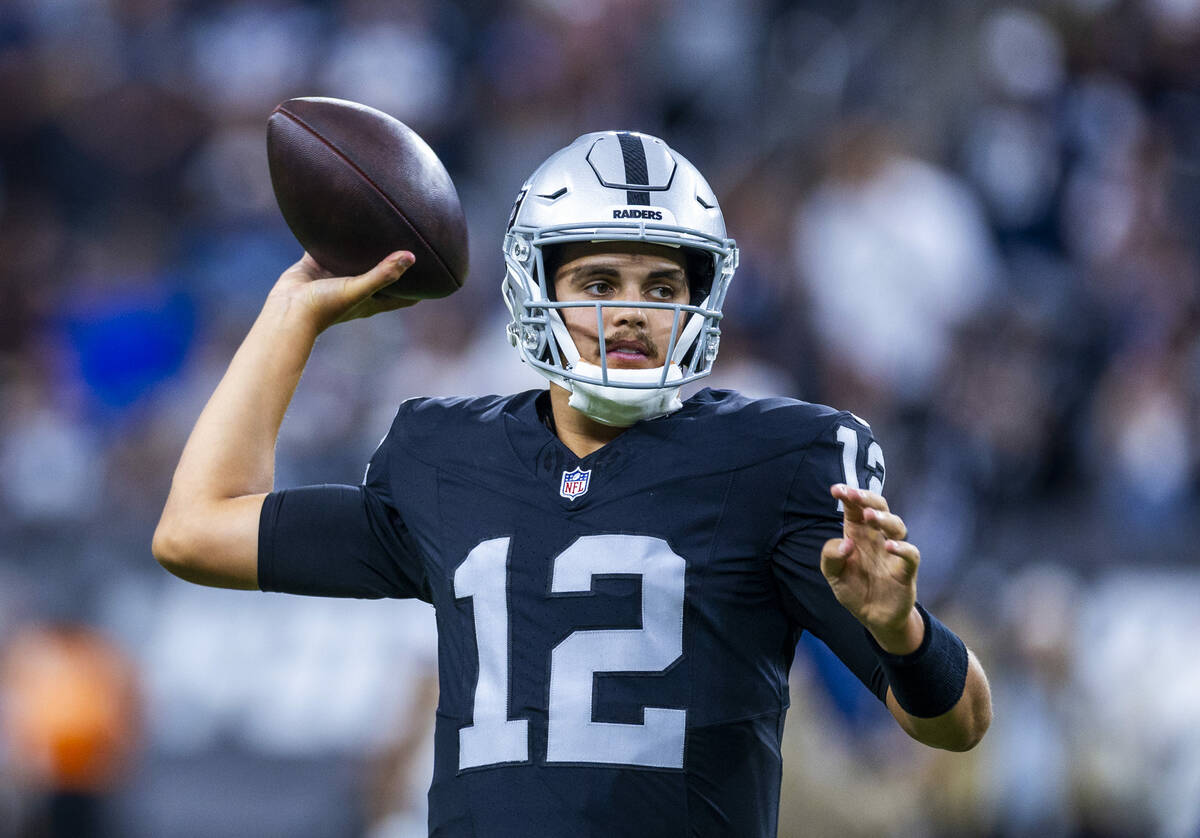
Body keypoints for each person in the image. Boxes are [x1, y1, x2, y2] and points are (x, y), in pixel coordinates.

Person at [153, 131, 991, 837]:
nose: (631, 312)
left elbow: (958, 725)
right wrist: (292, 313)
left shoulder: (778, 458)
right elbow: (195, 530)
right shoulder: (446, 455)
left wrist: (901, 628)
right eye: (598, 283)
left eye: (661, 287)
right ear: (534, 289)